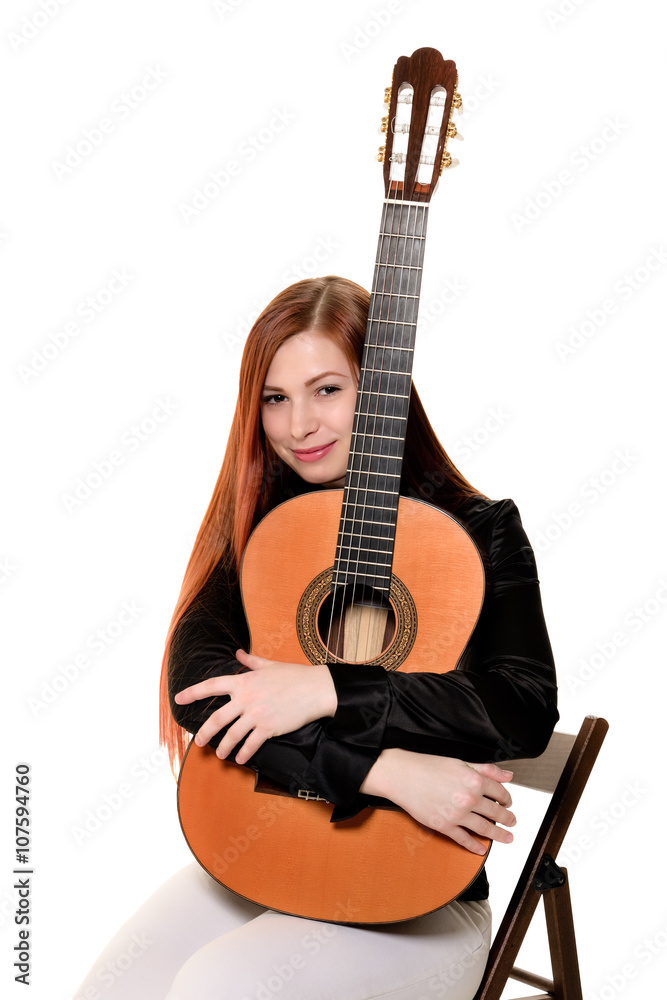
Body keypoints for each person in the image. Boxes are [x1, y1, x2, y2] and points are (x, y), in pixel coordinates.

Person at [74, 275, 558, 1000]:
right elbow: (198, 691)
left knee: (220, 986)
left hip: (420, 899)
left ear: (382, 390)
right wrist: (381, 772)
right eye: (275, 398)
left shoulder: (482, 531)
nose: (299, 424)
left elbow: (522, 707)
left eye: (326, 389)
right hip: (258, 856)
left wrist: (328, 688)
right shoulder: (260, 530)